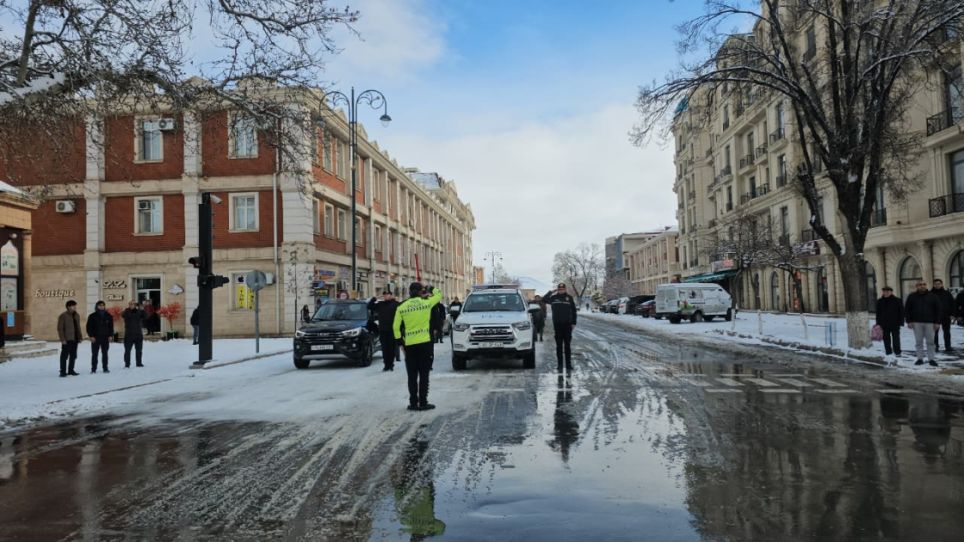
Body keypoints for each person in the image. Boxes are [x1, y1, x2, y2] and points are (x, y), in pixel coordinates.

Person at [393, 282, 443, 411]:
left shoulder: (402, 306)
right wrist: (429, 287)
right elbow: (439, 294)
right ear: (421, 291)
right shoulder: (426, 303)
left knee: (412, 376)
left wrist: (400, 343)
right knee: (424, 375)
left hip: (410, 345)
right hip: (425, 344)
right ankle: (423, 402)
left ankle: (413, 403)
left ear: (409, 292)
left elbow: (395, 327)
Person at [905, 281, 941, 367]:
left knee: (931, 342)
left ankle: (931, 359)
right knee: (919, 341)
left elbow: (938, 310)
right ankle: (920, 359)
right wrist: (909, 321)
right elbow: (907, 309)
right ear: (917, 286)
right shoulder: (912, 296)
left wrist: (937, 322)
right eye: (920, 285)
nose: (922, 286)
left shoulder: (933, 296)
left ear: (926, 286)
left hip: (930, 322)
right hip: (916, 322)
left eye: (924, 284)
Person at [544, 283, 577, 372]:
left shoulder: (569, 298)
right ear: (557, 289)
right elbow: (544, 299)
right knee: (559, 346)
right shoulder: (553, 298)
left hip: (567, 325)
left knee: (567, 346)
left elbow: (574, 311)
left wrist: (574, 322)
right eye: (559, 289)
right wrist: (551, 292)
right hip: (557, 325)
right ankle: (560, 365)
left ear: (565, 289)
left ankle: (568, 365)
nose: (561, 290)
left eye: (562, 289)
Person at [369, 291, 401, 371]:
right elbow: (369, 306)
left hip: (392, 330)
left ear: (391, 295)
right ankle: (386, 365)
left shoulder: (395, 304)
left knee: (391, 348)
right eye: (384, 295)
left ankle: (391, 364)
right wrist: (375, 298)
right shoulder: (380, 304)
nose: (386, 296)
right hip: (383, 330)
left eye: (387, 295)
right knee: (384, 348)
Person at [86, 300, 114, 373]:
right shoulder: (92, 316)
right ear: (97, 306)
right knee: (95, 354)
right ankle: (93, 369)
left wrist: (110, 335)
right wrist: (91, 336)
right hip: (95, 338)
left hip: (105, 337)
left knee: (105, 353)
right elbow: (89, 327)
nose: (101, 307)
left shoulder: (108, 316)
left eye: (103, 305)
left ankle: (105, 368)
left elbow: (111, 327)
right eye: (100, 305)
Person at [56, 299, 83, 377]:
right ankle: (63, 371)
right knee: (64, 356)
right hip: (67, 339)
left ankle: (71, 370)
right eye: (73, 306)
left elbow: (78, 327)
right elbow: (60, 329)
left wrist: (80, 337)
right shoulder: (63, 316)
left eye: (75, 306)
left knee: (73, 356)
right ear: (68, 307)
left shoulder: (76, 315)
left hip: (75, 338)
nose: (75, 307)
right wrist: (62, 339)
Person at [875, 286, 903, 359]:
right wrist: (878, 323)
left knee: (896, 338)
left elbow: (901, 312)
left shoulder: (897, 300)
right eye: (884, 291)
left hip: (895, 323)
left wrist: (901, 322)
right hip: (884, 324)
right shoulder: (880, 301)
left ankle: (897, 352)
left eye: (888, 291)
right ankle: (888, 352)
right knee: (886, 338)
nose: (886, 293)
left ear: (891, 292)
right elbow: (878, 313)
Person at [931, 279, 955, 353]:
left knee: (947, 332)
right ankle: (935, 347)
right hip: (934, 316)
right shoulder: (930, 294)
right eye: (936, 284)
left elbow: (952, 304)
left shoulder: (947, 293)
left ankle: (948, 346)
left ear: (942, 284)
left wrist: (952, 314)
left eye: (939, 284)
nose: (937, 285)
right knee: (934, 333)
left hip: (946, 315)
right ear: (933, 285)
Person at [121, 300, 146, 368]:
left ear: (135, 305)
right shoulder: (126, 311)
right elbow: (122, 315)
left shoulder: (139, 312)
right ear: (129, 305)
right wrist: (127, 310)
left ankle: (139, 363)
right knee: (127, 350)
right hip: (129, 335)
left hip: (138, 334)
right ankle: (127, 364)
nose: (132, 305)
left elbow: (146, 316)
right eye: (130, 304)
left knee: (139, 350)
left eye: (133, 304)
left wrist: (142, 310)